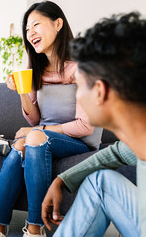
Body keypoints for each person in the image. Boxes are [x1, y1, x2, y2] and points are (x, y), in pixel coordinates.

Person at [0, 1, 102, 237]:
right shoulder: (36, 69)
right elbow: (34, 120)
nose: (30, 33)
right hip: (43, 137)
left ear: (58, 23)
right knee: (19, 145)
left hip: (80, 140)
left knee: (34, 137)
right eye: (27, 29)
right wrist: (22, 90)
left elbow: (84, 125)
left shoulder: (83, 68)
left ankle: (35, 228)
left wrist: (38, 131)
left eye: (36, 25)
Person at [41, 12, 146, 236]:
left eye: (79, 86)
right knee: (101, 180)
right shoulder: (138, 141)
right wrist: (61, 180)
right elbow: (115, 154)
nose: (76, 98)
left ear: (100, 91)